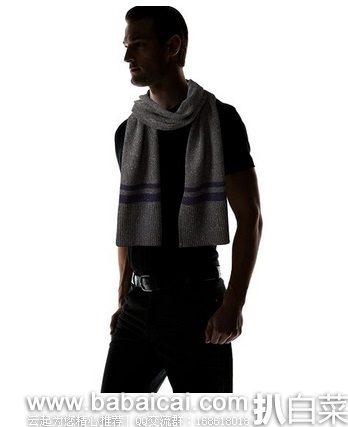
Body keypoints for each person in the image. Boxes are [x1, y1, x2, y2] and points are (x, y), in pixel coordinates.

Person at [101, 6, 262, 393]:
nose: (127, 57)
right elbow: (129, 224)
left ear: (172, 46)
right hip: (138, 306)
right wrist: (123, 299)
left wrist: (233, 304)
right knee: (111, 418)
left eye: (139, 45)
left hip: (197, 305)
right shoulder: (128, 132)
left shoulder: (220, 121)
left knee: (207, 420)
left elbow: (250, 218)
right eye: (126, 46)